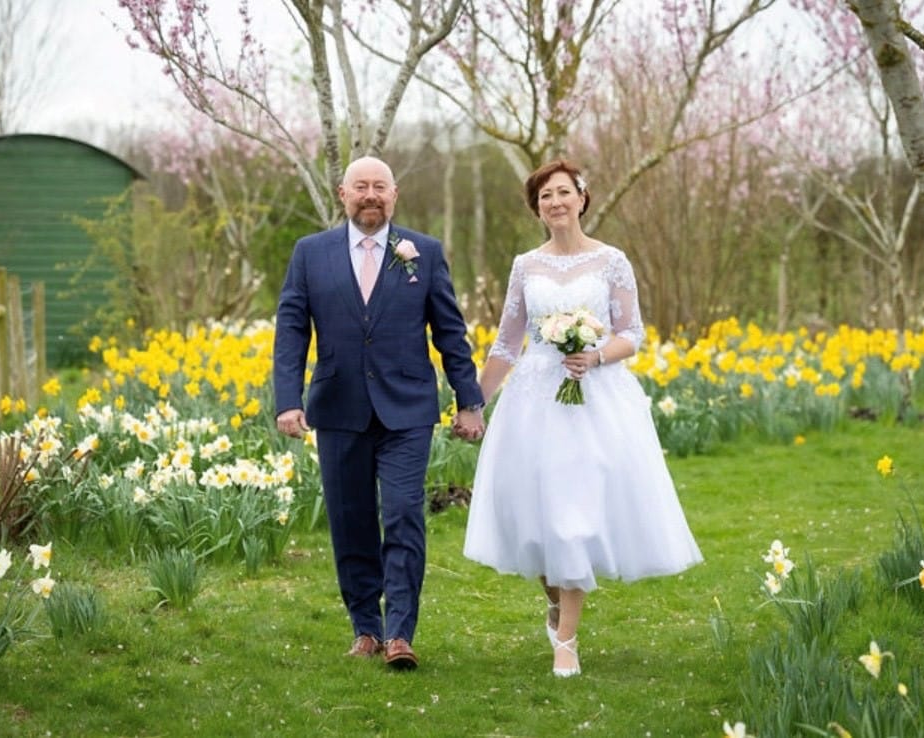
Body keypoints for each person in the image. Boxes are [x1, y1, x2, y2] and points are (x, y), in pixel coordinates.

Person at [460, 159, 703, 677]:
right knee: (536, 518)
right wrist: (473, 402)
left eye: (563, 192)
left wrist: (593, 356)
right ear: (537, 208)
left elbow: (631, 334)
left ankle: (565, 641)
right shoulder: (526, 265)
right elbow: (507, 342)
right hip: (534, 400)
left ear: (582, 198)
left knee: (573, 517)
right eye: (545, 196)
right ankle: (554, 598)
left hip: (595, 398)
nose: (555, 203)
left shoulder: (612, 260)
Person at [273, 156, 485, 670]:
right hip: (339, 408)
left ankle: (399, 634)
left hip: (407, 409)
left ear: (395, 194)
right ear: (342, 193)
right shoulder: (310, 253)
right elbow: (292, 329)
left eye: (380, 187)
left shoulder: (424, 253)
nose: (371, 195)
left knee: (403, 515)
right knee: (351, 523)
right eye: (360, 186)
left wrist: (470, 400)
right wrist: (287, 400)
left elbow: (450, 333)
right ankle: (365, 627)